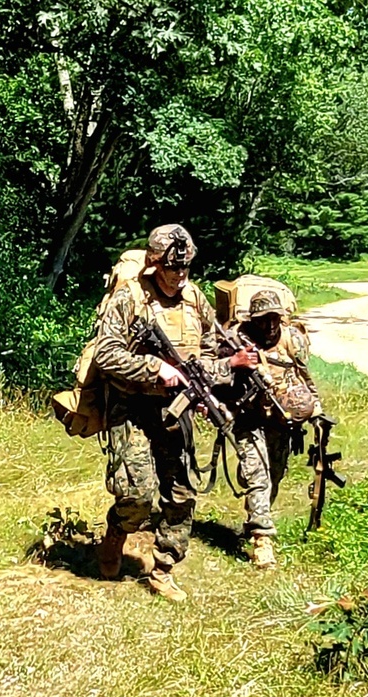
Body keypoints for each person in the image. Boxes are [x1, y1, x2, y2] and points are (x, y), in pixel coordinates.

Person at [94, 224, 253, 601]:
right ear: (153, 264)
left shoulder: (195, 298)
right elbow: (106, 354)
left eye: (185, 269)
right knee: (138, 494)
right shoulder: (130, 298)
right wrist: (155, 368)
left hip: (174, 408)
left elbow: (212, 352)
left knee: (181, 493)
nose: (179, 276)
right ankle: (117, 532)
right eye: (172, 269)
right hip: (131, 405)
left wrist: (205, 386)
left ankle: (163, 568)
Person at [220, 290, 323, 569]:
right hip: (248, 418)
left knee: (275, 474)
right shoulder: (236, 340)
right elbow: (218, 374)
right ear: (253, 319)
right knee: (258, 474)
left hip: (281, 420)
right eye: (264, 319)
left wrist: (316, 410)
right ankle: (262, 539)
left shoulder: (292, 339)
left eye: (275, 318)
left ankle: (256, 516)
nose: (270, 325)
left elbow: (304, 374)